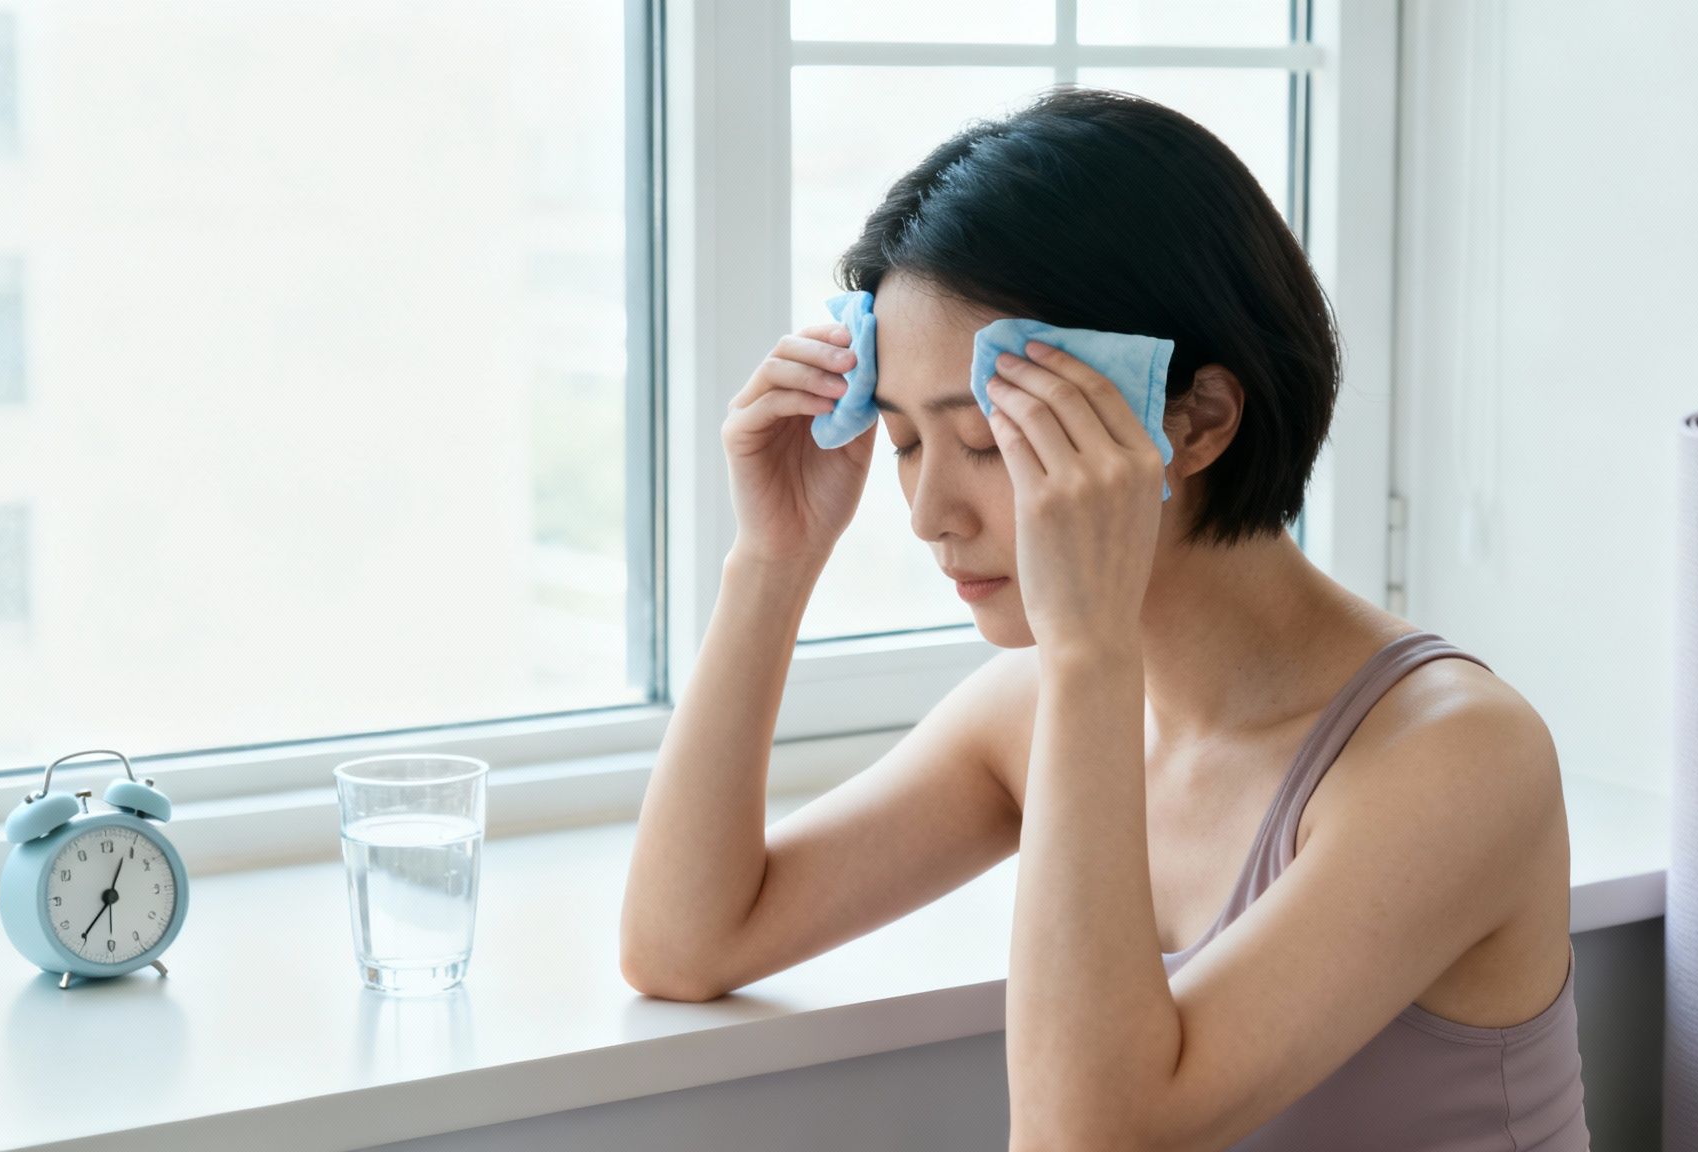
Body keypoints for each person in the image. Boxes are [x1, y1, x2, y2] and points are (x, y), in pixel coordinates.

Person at [620, 85, 1588, 1151]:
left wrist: (1087, 651)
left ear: (1197, 419)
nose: (927, 514)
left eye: (989, 440)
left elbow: (1086, 1138)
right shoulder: (1032, 714)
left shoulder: (1457, 759)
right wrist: (771, 559)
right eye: (900, 441)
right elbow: (682, 941)